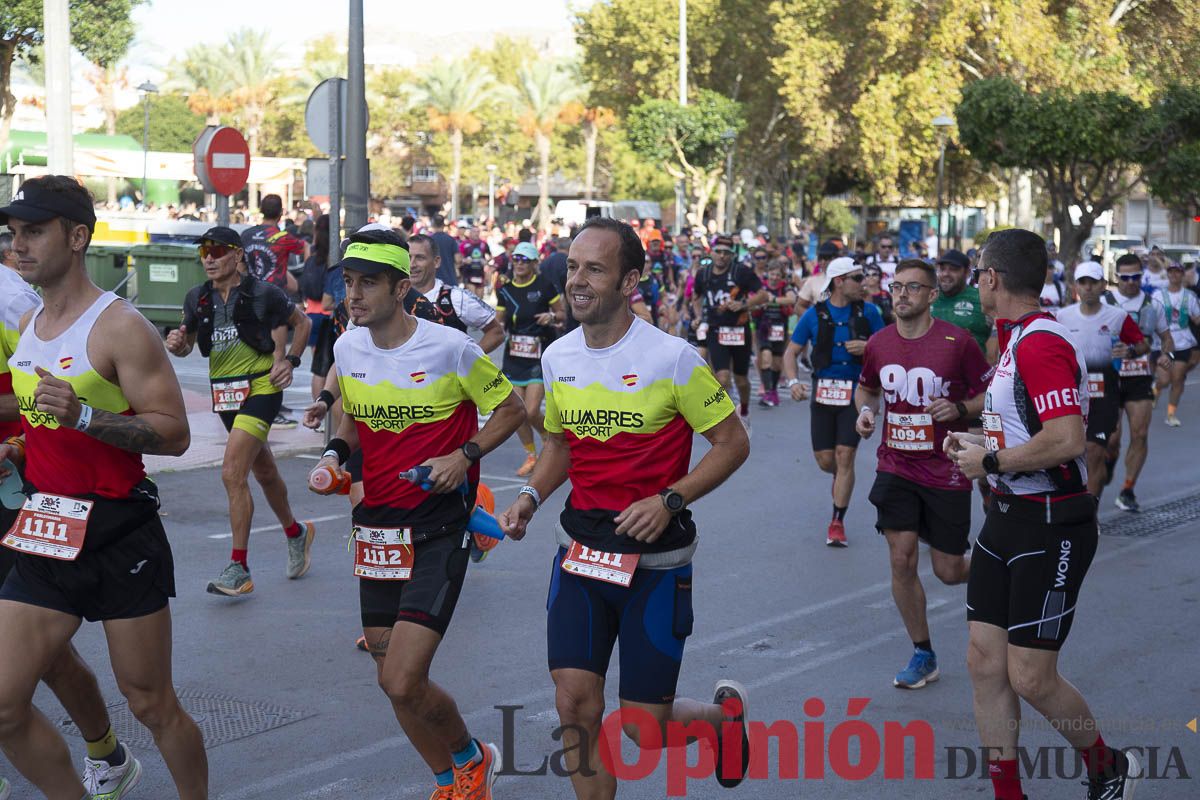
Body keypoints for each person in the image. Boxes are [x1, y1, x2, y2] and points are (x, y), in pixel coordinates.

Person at [499, 217, 754, 799]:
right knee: (574, 703)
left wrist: (670, 499)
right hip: (581, 554)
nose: (578, 282)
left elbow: (733, 443)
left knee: (644, 727)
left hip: (655, 565)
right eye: (572, 268)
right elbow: (561, 445)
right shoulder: (560, 356)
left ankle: (723, 720)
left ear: (630, 280)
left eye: (595, 269)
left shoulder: (673, 358)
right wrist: (531, 497)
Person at [0, 175, 208, 799]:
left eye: (34, 232)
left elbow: (174, 435)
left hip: (119, 532)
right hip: (46, 529)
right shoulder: (31, 323)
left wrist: (88, 417)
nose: (19, 245)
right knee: (4, 705)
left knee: (149, 702)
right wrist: (17, 448)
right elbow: (47, 426)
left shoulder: (119, 326)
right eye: (13, 234)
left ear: (78, 236)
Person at [309, 234, 527, 800]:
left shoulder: (450, 348)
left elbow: (511, 409)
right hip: (375, 529)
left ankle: (472, 757)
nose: (353, 295)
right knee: (392, 682)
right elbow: (352, 419)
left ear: (402, 288)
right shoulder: (350, 347)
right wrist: (335, 455)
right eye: (348, 283)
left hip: (436, 527)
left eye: (368, 283)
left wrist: (465, 456)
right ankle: (453, 776)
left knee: (402, 676)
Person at [946, 228, 1139, 800]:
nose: (979, 279)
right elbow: (1030, 429)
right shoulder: (1017, 340)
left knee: (1030, 676)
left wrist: (993, 459)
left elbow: (1067, 440)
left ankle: (1107, 766)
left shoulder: (1040, 343)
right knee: (984, 662)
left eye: (980, 271)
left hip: (1052, 525)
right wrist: (977, 439)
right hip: (1006, 518)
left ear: (991, 278)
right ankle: (1009, 794)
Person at [856, 259, 992, 689]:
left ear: (932, 296)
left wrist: (960, 409)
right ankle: (923, 652)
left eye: (913, 288)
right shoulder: (879, 343)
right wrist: (864, 410)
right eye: (897, 287)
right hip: (895, 464)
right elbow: (868, 387)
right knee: (901, 558)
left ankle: (995, 568)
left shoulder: (957, 342)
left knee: (950, 571)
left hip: (946, 467)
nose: (901, 295)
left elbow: (989, 393)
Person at [166, 226, 315, 597]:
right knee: (263, 471)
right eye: (204, 252)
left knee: (232, 472)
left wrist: (292, 361)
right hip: (226, 396)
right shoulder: (197, 298)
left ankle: (239, 567)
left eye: (217, 250)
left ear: (237, 255)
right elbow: (185, 348)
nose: (209, 258)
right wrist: (176, 343)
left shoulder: (265, 293)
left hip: (262, 389)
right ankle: (297, 533)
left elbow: (304, 323)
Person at [782, 257, 886, 546]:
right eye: (857, 278)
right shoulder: (815, 315)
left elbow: (890, 349)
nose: (863, 282)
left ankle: (837, 521)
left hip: (857, 394)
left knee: (845, 456)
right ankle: (840, 478)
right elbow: (791, 352)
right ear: (840, 281)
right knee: (826, 460)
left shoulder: (870, 313)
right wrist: (792, 382)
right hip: (823, 394)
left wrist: (869, 347)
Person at [1055, 261, 1148, 499]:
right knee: (1071, 454)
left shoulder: (1117, 316)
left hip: (1105, 391)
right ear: (1075, 286)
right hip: (1072, 392)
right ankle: (1072, 502)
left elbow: (1142, 344)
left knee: (1094, 451)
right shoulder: (1062, 317)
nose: (1088, 288)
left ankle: (1089, 514)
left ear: (1103, 285)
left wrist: (1129, 352)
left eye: (1093, 283)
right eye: (1083, 282)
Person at [1102, 253, 1175, 512]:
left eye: (1136, 277)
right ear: (1117, 277)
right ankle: (1108, 463)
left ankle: (1128, 489)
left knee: (1140, 434)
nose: (1131, 282)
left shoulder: (1152, 304)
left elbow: (1167, 337)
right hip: (1109, 377)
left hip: (1140, 376)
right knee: (1111, 440)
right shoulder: (1104, 302)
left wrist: (1167, 354)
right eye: (1125, 277)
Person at [496, 241, 564, 477]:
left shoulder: (544, 286)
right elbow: (499, 322)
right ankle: (531, 455)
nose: (519, 263)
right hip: (514, 356)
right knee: (517, 411)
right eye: (516, 259)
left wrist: (551, 316)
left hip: (538, 354)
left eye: (525, 260)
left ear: (535, 263)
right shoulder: (505, 290)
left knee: (532, 410)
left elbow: (563, 314)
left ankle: (549, 441)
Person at [693, 234, 768, 429]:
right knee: (722, 377)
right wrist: (699, 316)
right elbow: (696, 297)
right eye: (718, 252)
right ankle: (725, 418)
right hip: (716, 330)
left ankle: (744, 409)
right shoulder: (703, 273)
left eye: (726, 253)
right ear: (712, 252)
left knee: (741, 379)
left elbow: (763, 294)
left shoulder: (741, 272)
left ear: (732, 255)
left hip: (739, 330)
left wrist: (743, 304)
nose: (722, 256)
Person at [408, 234, 505, 354]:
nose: (412, 264)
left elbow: (496, 332)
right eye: (408, 257)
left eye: (420, 258)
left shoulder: (456, 297)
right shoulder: (395, 296)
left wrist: (467, 360)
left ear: (436, 262)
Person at [1154, 260, 1200, 426]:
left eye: (1177, 272)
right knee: (1164, 379)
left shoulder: (1189, 296)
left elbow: (1196, 316)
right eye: (1171, 272)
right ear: (1168, 274)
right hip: (1162, 342)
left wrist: (1196, 319)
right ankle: (1157, 388)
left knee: (1177, 378)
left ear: (1182, 275)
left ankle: (1171, 414)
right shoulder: (1158, 295)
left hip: (1183, 342)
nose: (1174, 275)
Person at [931, 249, 996, 361]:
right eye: (942, 269)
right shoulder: (929, 298)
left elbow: (996, 340)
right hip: (932, 373)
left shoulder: (981, 298)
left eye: (953, 269)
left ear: (967, 272)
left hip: (973, 373)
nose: (946, 274)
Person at [240, 193, 306, 293]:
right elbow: (306, 247)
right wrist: (309, 276)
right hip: (275, 296)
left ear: (261, 210)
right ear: (281, 213)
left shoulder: (246, 235)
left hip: (251, 295)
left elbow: (239, 266)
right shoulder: (283, 238)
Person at [753, 258, 797, 407]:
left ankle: (773, 390)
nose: (774, 277)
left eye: (777, 274)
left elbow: (791, 300)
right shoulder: (761, 287)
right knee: (766, 357)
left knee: (777, 363)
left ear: (781, 275)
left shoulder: (785, 287)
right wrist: (760, 301)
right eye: (772, 274)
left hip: (780, 328)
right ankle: (767, 391)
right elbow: (752, 301)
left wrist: (773, 300)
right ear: (768, 273)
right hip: (764, 328)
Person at [429, 214, 461, 287]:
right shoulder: (451, 240)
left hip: (432, 281)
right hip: (450, 280)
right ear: (443, 225)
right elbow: (458, 259)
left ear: (433, 224)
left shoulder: (428, 240)